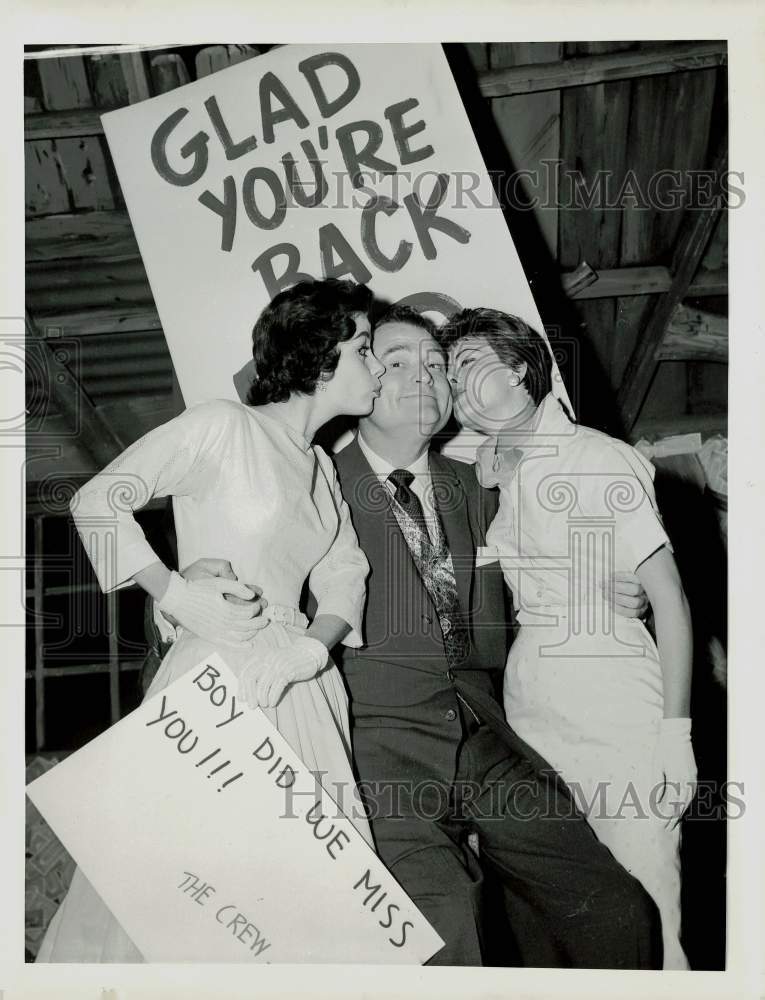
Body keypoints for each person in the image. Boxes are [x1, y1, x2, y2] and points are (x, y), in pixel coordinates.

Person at [152, 303, 659, 968]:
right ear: (356, 379)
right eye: (395, 363)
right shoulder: (310, 484)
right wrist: (181, 595)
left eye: (436, 366)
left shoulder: (481, 488)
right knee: (445, 940)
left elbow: (552, 575)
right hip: (377, 756)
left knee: (615, 911)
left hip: (488, 740)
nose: (423, 379)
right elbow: (230, 588)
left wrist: (621, 592)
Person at [37, 278, 383, 962]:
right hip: (218, 675)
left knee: (304, 906)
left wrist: (311, 652)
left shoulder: (320, 465)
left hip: (300, 689)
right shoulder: (224, 425)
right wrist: (171, 592)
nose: (377, 367)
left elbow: (346, 573)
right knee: (186, 886)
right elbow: (99, 499)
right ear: (318, 355)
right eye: (366, 349)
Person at [439, 307, 696, 969]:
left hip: (612, 696)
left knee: (644, 905)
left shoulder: (599, 457)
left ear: (520, 367)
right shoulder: (488, 475)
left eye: (468, 362)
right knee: (566, 921)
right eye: (448, 370)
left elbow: (666, 598)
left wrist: (675, 735)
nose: (455, 381)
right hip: (530, 709)